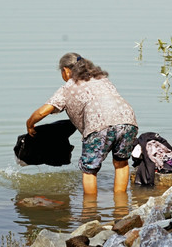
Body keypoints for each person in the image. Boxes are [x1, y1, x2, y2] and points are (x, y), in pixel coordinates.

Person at [26, 53, 138, 195]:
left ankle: (90, 211)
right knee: (121, 163)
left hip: (99, 126)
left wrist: (30, 124)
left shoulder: (67, 88)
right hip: (128, 120)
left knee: (89, 170)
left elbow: (43, 112)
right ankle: (121, 207)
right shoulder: (102, 79)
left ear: (66, 70)